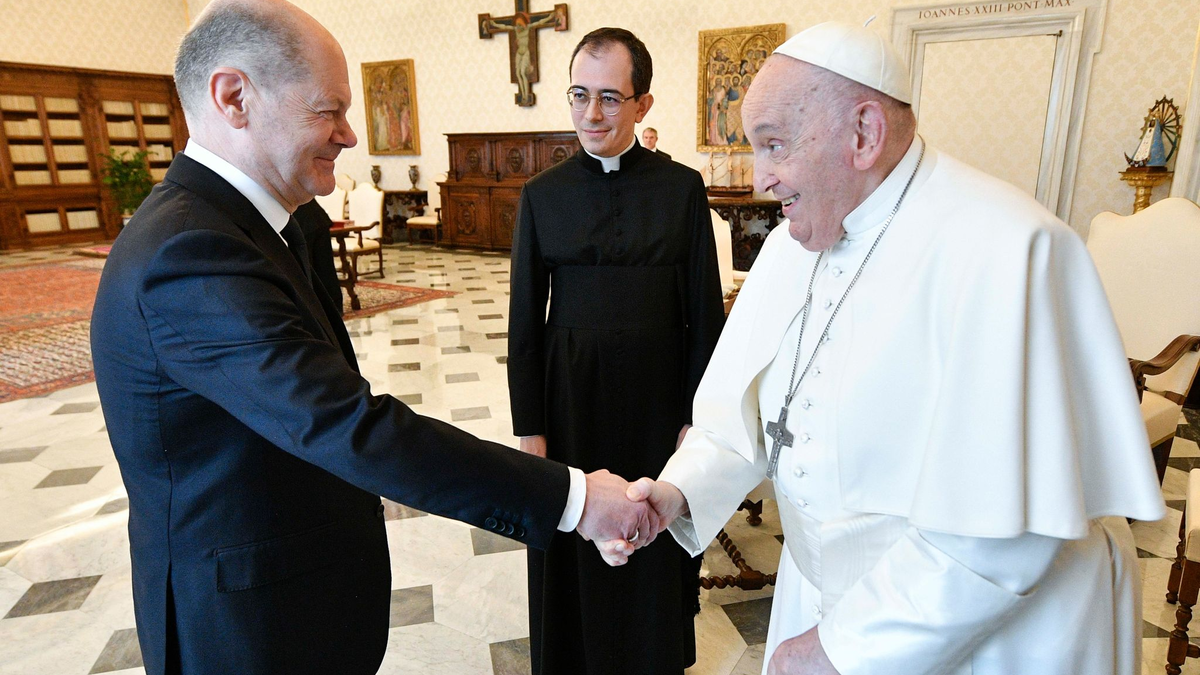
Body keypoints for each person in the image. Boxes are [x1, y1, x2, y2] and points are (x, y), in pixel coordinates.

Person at [89, 3, 658, 674]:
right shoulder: (187, 251)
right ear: (234, 97)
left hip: (304, 599)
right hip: (245, 630)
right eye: (328, 111)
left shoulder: (280, 224)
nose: (351, 135)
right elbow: (346, 424)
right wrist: (575, 499)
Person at [603, 20, 1166, 675]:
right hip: (824, 596)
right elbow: (748, 416)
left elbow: (1004, 535)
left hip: (990, 631)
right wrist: (677, 490)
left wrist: (846, 648)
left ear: (863, 133)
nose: (762, 178)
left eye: (774, 145)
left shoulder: (1009, 251)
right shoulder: (792, 246)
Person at [507, 27, 725, 675]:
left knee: (651, 530)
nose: (591, 114)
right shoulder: (541, 194)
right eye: (579, 95)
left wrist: (697, 418)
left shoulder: (682, 189)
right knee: (572, 539)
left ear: (642, 105)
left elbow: (704, 314)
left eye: (608, 97)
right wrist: (530, 431)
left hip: (658, 403)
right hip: (568, 399)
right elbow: (524, 321)